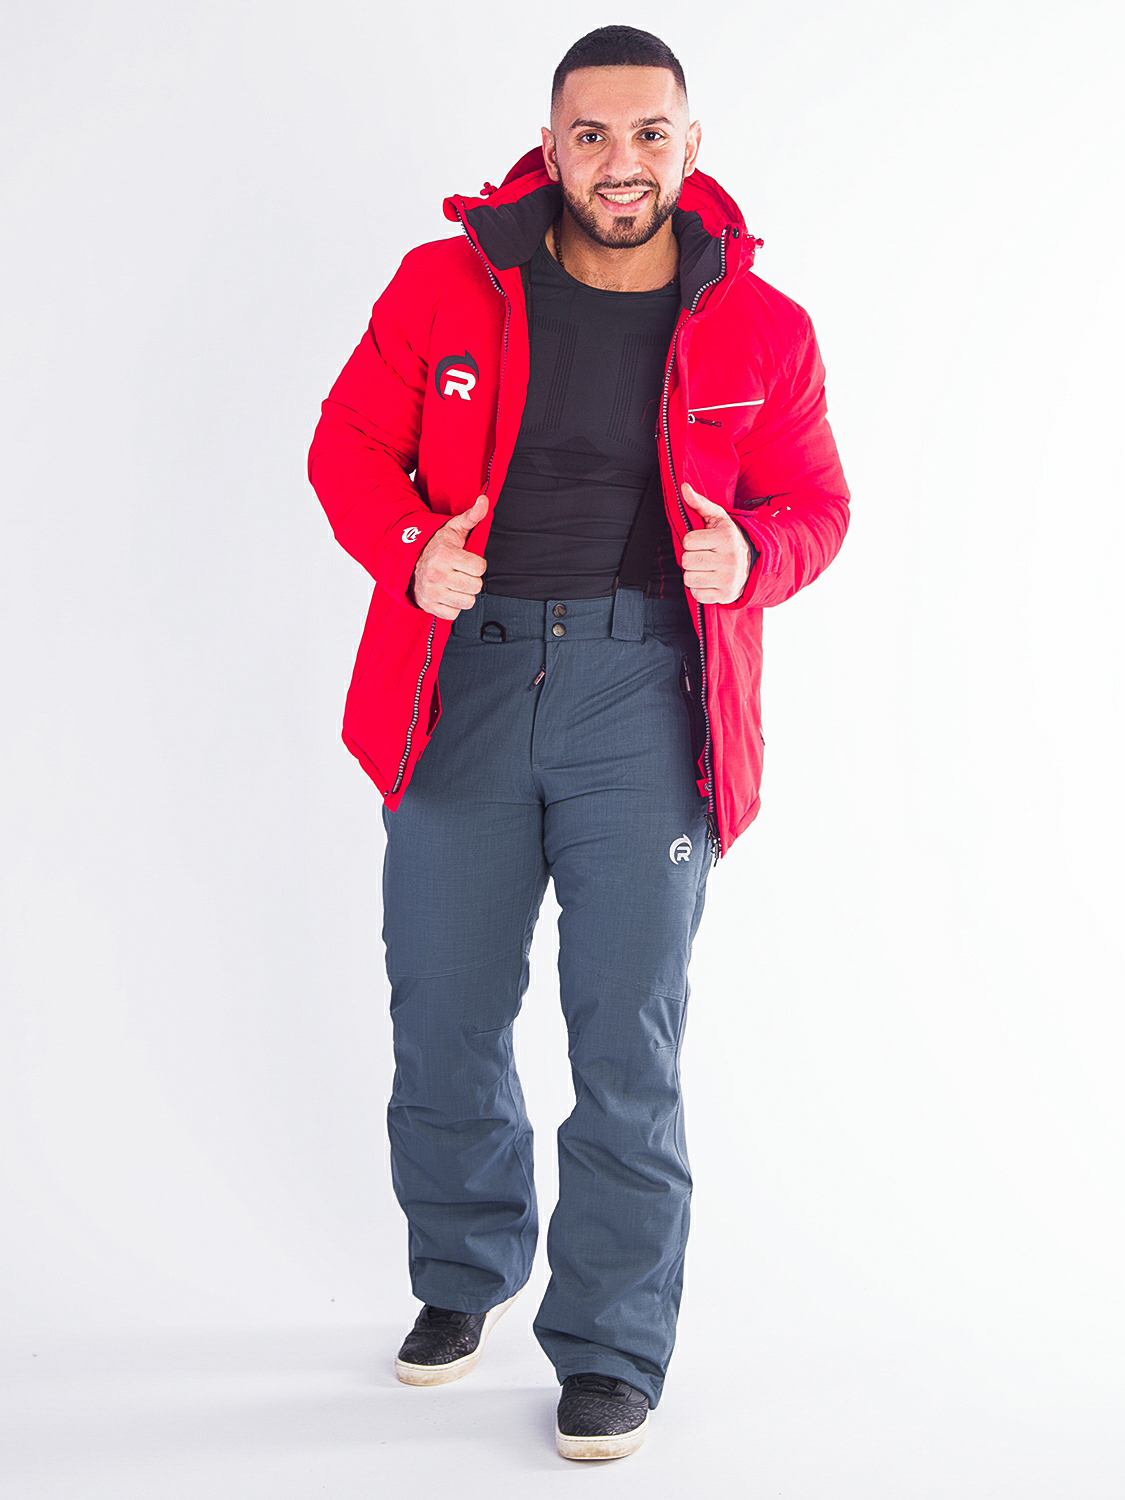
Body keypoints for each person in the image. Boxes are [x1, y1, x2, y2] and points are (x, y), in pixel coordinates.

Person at [308, 24, 849, 1462]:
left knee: (626, 1039)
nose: (621, 162)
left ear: (689, 144)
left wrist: (758, 560)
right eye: (592, 135)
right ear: (549, 147)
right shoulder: (444, 285)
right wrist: (411, 552)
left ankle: (610, 1348)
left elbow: (817, 503)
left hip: (645, 689)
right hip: (464, 681)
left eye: (649, 133)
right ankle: (462, 1271)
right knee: (443, 1013)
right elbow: (345, 447)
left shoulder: (763, 324)